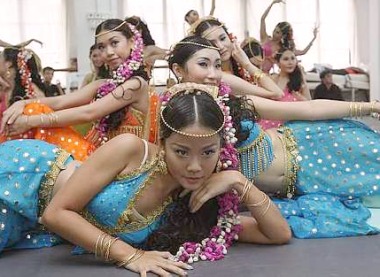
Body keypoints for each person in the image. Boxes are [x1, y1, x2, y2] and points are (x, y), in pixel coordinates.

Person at [0, 82, 291, 276]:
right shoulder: (130, 150)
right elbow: (56, 213)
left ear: (221, 148)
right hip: (23, 176)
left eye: (207, 152)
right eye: (180, 151)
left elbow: (277, 235)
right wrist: (130, 255)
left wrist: (240, 183)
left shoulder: (204, 203)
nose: (194, 166)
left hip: (32, 225)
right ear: (163, 144)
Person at [167, 35, 380, 239]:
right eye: (203, 64)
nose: (213, 74)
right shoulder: (172, 121)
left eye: (216, 65)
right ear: (178, 69)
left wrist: (370, 107)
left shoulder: (234, 102)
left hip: (316, 146)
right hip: (301, 188)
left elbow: (309, 109)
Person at [0, 19, 160, 161]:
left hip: (121, 165)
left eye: (114, 43)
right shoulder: (104, 84)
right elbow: (61, 101)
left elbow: (89, 112)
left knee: (34, 114)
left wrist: (28, 122)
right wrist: (22, 104)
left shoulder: (136, 84)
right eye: (102, 47)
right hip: (99, 155)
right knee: (32, 108)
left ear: (132, 42)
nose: (108, 52)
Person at [189, 17, 284, 99]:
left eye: (222, 38)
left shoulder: (237, 64)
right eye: (213, 43)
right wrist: (247, 64)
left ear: (230, 37)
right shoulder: (220, 77)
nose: (221, 46)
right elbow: (277, 94)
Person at [258, 47, 311, 130]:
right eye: (286, 59)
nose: (290, 62)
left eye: (293, 58)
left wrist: (300, 98)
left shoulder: (299, 82)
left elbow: (310, 104)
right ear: (278, 63)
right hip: (271, 121)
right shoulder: (272, 79)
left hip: (294, 124)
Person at [260, 0, 318, 73]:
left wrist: (314, 38)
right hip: (254, 69)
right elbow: (262, 19)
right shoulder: (265, 38)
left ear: (283, 35)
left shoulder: (283, 48)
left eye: (277, 32)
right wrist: (272, 3)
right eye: (274, 30)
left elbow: (303, 52)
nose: (274, 33)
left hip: (264, 75)